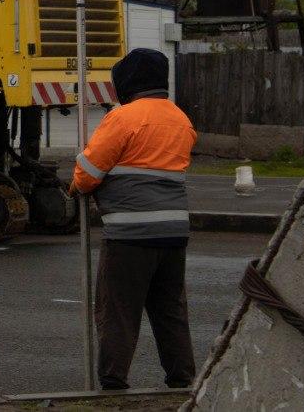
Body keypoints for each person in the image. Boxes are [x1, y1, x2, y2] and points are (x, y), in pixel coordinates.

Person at [70, 47, 197, 391]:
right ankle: (183, 380)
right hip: (173, 234)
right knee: (170, 310)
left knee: (118, 313)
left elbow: (88, 174)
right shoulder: (181, 120)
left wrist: (76, 179)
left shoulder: (124, 118)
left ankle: (113, 383)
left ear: (127, 81)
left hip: (130, 235)